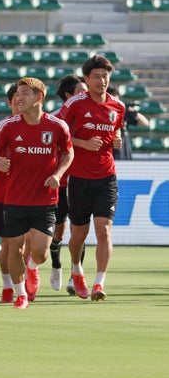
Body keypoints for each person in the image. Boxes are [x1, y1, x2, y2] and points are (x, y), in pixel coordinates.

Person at [0, 77, 73, 309]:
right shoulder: (8, 126)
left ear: (39, 98)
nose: (19, 97)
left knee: (41, 253)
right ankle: (20, 294)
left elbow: (68, 153)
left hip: (45, 199)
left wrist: (58, 174)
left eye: (25, 93)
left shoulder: (57, 126)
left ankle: (33, 268)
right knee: (14, 247)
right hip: (14, 199)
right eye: (18, 93)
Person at [58, 55, 126, 301]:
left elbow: (115, 127)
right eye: (96, 76)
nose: (102, 80)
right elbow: (59, 136)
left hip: (106, 177)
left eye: (105, 75)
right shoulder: (75, 104)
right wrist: (83, 143)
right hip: (78, 177)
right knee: (78, 235)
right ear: (87, 79)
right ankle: (76, 270)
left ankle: (99, 283)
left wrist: (116, 137)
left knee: (104, 230)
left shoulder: (118, 106)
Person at [50, 75, 88, 294]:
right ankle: (56, 265)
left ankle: (76, 276)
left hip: (83, 181)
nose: (85, 94)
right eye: (81, 91)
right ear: (68, 95)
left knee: (79, 232)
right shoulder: (55, 119)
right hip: (61, 182)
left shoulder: (89, 116)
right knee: (58, 234)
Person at [0, 83, 19, 303]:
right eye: (16, 99)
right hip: (4, 193)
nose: (20, 102)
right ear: (9, 103)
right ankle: (8, 285)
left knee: (29, 244)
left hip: (32, 194)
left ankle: (27, 278)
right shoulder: (1, 127)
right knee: (8, 243)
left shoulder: (42, 126)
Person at [109, 85, 149, 161]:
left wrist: (132, 112)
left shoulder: (123, 112)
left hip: (123, 148)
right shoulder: (101, 111)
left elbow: (145, 123)